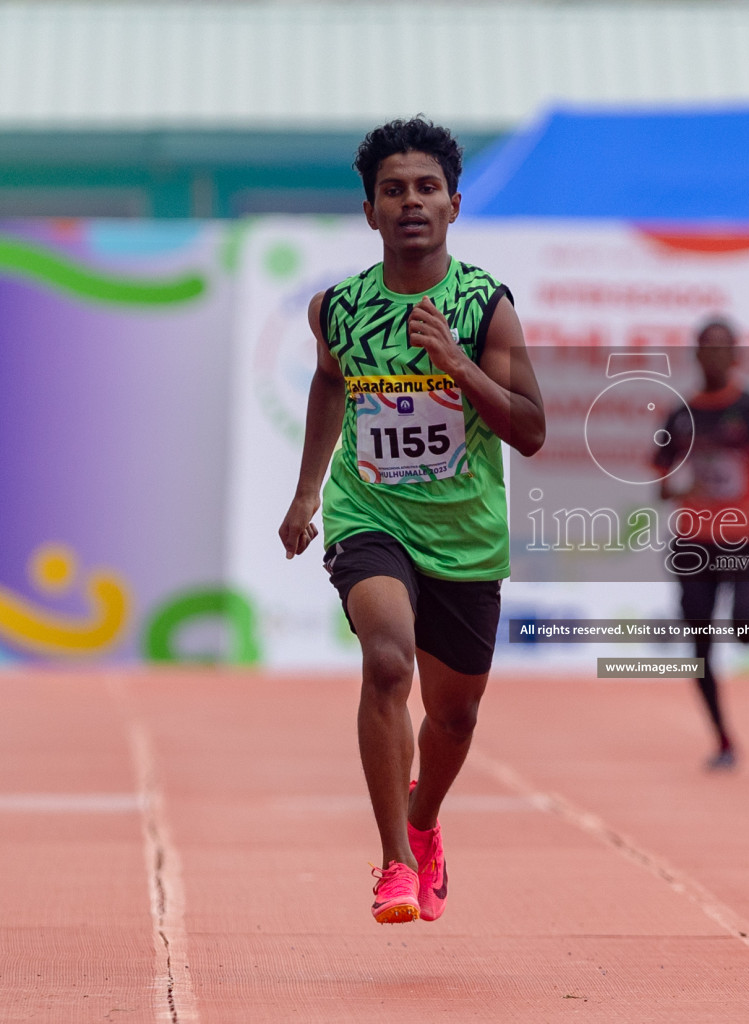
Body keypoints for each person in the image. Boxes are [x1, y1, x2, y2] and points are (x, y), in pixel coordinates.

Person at [278, 118, 545, 924]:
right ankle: (395, 864)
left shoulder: (482, 306)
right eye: (393, 190)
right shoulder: (339, 310)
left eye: (426, 188)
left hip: (464, 534)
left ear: (455, 204)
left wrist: (458, 366)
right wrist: (307, 493)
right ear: (370, 212)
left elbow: (531, 430)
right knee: (388, 662)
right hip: (373, 515)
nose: (411, 203)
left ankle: (425, 826)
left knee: (455, 716)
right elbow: (330, 382)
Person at [653, 320, 749, 770]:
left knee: (746, 629)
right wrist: (684, 488)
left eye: (723, 348)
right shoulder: (679, 414)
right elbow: (661, 483)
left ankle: (747, 624)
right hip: (693, 542)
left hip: (743, 540)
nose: (715, 356)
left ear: (736, 355)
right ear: (696, 355)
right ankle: (722, 739)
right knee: (700, 650)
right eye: (706, 347)